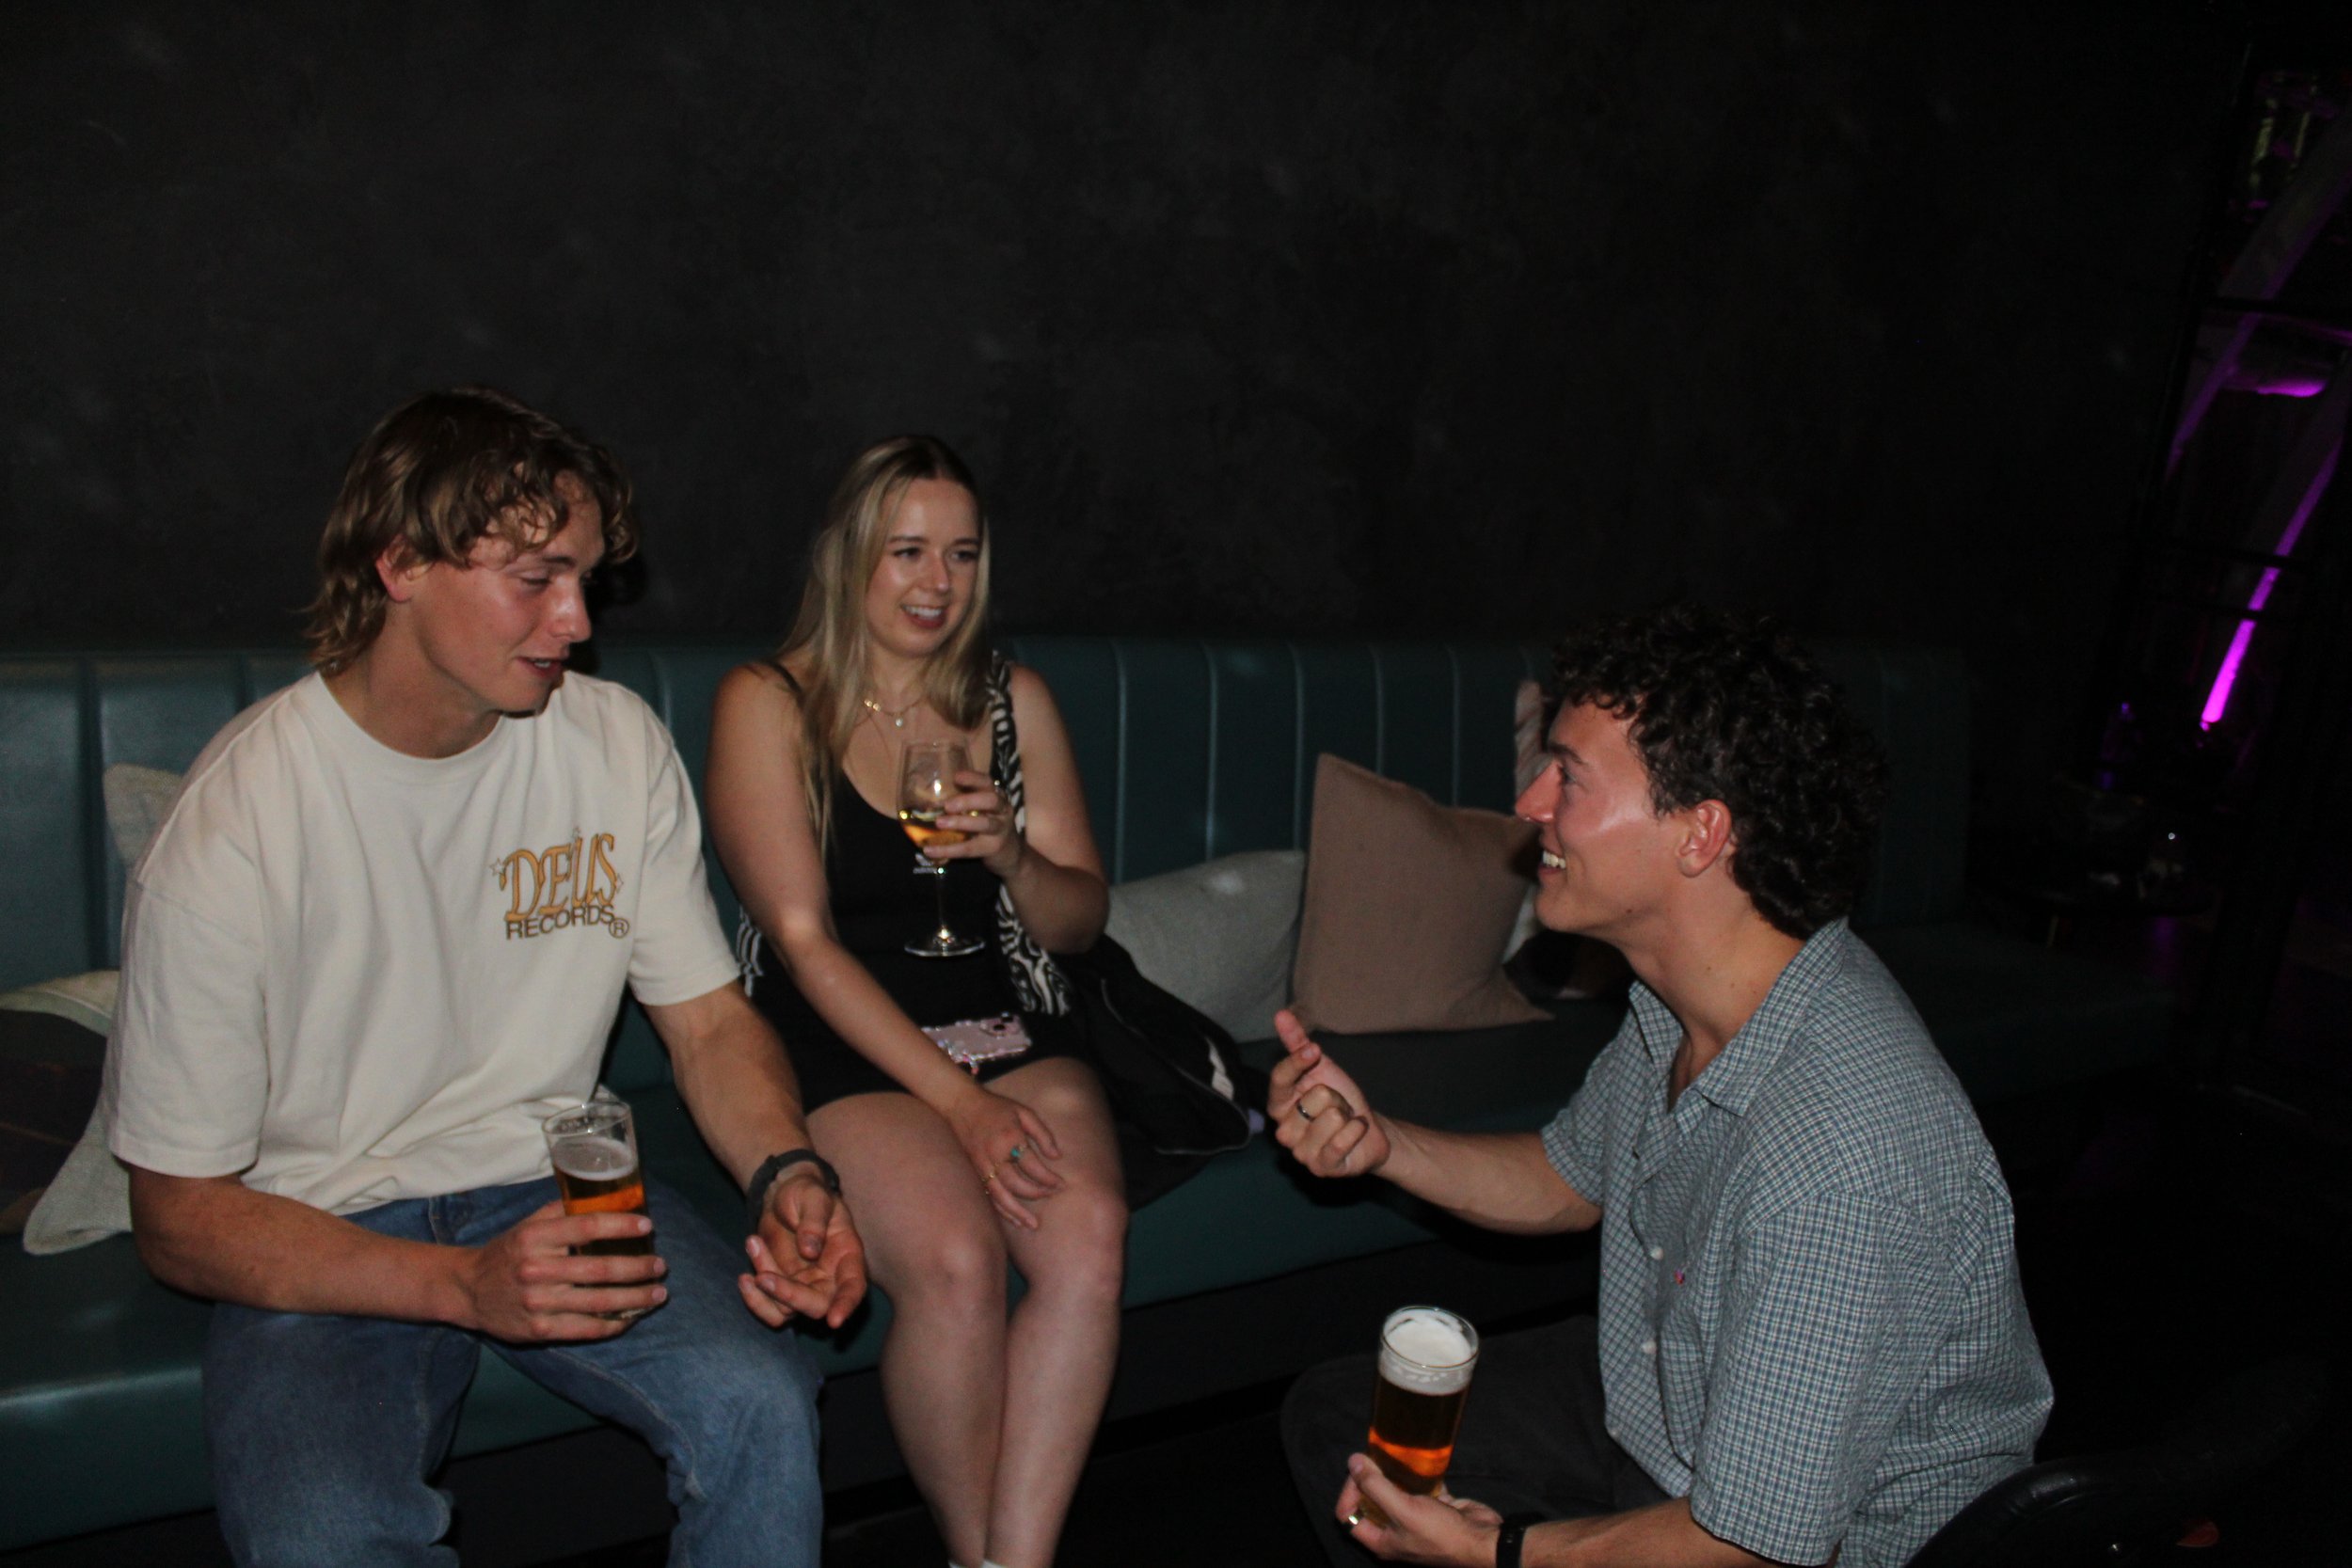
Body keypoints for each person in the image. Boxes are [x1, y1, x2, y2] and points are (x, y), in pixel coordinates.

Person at [105, 387, 866, 1568]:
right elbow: (181, 1216)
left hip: (558, 1182)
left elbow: (711, 1023)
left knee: (762, 1403)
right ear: (400, 560)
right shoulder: (235, 825)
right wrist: (462, 1283)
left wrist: (788, 1169)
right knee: (325, 1535)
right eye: (535, 577)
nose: (577, 618)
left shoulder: (611, 743)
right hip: (319, 1220)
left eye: (586, 577)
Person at [1275, 605, 2052, 1568]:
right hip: (1671, 1415)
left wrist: (1503, 1551)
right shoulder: (1683, 1004)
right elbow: (1570, 1177)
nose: (1530, 803)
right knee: (1338, 1421)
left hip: (1816, 1544)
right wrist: (1381, 1141)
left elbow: (1753, 1542)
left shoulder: (1843, 1163)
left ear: (1700, 833)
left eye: (1570, 775)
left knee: (1429, 1523)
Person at [706, 436, 1125, 1568]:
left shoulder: (1008, 698)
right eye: (905, 551)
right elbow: (798, 941)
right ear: (851, 556)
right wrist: (960, 1105)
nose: (935, 582)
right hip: (845, 1034)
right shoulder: (768, 700)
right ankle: (972, 1544)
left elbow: (1081, 920)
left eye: (959, 553)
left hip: (1003, 1017)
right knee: (952, 1259)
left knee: (1086, 1232)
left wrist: (1014, 860)